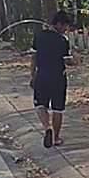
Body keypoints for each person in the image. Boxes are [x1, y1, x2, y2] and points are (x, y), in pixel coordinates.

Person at [30, 10, 74, 148]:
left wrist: (32, 75)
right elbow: (68, 61)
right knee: (58, 109)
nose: (66, 29)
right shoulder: (63, 40)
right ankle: (56, 138)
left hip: (42, 75)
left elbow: (33, 57)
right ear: (59, 24)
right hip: (59, 77)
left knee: (40, 105)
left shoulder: (39, 36)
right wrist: (76, 59)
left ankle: (47, 127)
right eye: (65, 26)